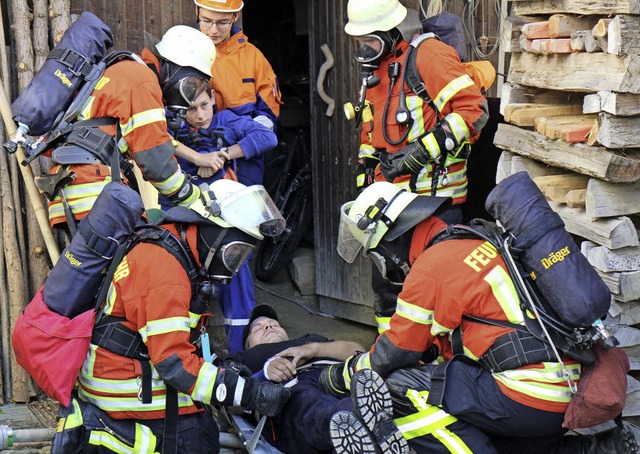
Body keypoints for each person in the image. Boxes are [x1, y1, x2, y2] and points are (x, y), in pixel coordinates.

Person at [324, 181, 634, 453]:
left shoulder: (431, 266)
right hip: (568, 386)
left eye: (378, 256)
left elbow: (397, 350)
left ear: (390, 240)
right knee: (470, 398)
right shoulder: (478, 238)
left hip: (529, 395)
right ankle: (601, 448)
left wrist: (344, 375)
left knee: (400, 385)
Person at [51, 180, 291, 454]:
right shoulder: (166, 272)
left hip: (134, 378)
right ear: (213, 232)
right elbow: (174, 363)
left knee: (202, 425)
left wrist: (227, 372)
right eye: (234, 251)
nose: (234, 265)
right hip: (124, 393)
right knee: (199, 438)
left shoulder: (174, 251)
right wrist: (250, 394)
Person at [343, 0, 489, 335]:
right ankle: (388, 356)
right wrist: (367, 177)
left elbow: (474, 112)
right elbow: (372, 133)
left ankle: (434, 369)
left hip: (434, 202)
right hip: (390, 204)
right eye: (358, 43)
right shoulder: (376, 71)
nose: (364, 50)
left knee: (435, 291)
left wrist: (421, 152)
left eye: (371, 42)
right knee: (387, 289)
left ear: (393, 33)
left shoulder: (429, 56)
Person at [46, 25, 218, 230]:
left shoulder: (124, 70)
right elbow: (155, 160)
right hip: (95, 192)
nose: (189, 94)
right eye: (190, 84)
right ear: (174, 68)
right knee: (143, 258)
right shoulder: (142, 82)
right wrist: (193, 199)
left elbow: (147, 137)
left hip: (75, 188)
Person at [163, 81, 278, 354]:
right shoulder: (171, 129)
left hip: (226, 222)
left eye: (204, 105)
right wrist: (198, 158)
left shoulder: (226, 120)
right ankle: (187, 357)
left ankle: (242, 355)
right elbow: (154, 140)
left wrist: (223, 155)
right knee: (180, 287)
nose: (201, 116)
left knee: (236, 283)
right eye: (191, 110)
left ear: (214, 98)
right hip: (185, 222)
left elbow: (266, 137)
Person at [224, 303, 408, 454]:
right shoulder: (245, 358)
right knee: (308, 402)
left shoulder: (311, 339)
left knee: (365, 383)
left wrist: (314, 349)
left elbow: (358, 351)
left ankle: (362, 426)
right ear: (248, 345)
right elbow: (225, 394)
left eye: (274, 324)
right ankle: (363, 423)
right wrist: (264, 375)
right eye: (258, 328)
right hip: (290, 386)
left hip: (336, 375)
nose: (269, 326)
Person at [194, 0, 281, 139]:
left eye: (222, 22)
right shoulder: (183, 52)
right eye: (206, 21)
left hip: (244, 151)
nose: (214, 30)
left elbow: (269, 114)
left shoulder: (253, 58)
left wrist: (249, 137)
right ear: (197, 11)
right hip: (196, 147)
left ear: (235, 16)